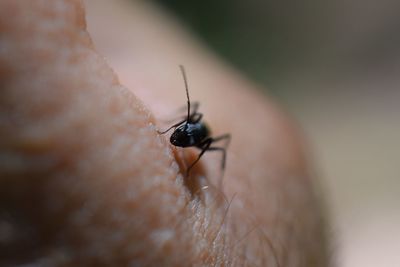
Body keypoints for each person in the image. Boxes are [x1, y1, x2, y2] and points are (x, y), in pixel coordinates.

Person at [0, 0, 329, 266]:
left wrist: (194, 169)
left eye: (185, 132)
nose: (181, 135)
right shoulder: (188, 123)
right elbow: (187, 122)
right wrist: (170, 127)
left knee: (219, 145)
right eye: (182, 128)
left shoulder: (202, 142)